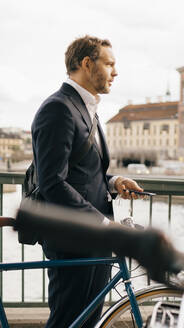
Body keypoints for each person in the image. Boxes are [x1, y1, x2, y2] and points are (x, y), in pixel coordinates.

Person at [31, 35, 144, 327]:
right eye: (109, 64)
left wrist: (113, 181)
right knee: (69, 320)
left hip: (88, 236)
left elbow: (80, 172)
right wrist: (105, 226)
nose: (115, 72)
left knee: (86, 320)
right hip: (72, 238)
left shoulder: (83, 108)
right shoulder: (58, 109)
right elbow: (52, 182)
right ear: (86, 63)